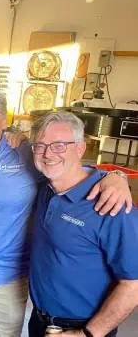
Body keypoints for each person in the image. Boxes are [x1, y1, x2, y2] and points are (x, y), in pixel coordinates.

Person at [0, 87, 133, 337]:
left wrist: (115, 176)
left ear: (5, 120)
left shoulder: (26, 155)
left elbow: (69, 169)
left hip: (8, 280)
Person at [28, 112, 138, 337]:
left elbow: (133, 285)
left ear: (80, 148)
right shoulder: (45, 189)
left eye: (59, 145)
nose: (48, 154)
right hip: (40, 321)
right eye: (40, 146)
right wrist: (115, 173)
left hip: (84, 327)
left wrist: (87, 334)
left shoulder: (113, 206)